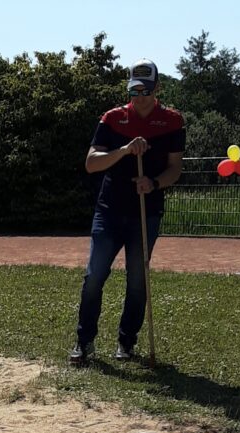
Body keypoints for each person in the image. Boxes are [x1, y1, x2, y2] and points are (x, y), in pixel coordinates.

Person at [69, 59, 185, 365]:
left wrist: (154, 182)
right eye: (135, 91)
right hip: (109, 211)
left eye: (146, 91)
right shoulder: (112, 119)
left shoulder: (172, 121)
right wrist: (122, 151)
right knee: (95, 275)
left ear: (158, 88)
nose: (140, 98)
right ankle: (84, 342)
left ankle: (126, 343)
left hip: (146, 212)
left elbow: (175, 169)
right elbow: (92, 163)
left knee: (137, 280)